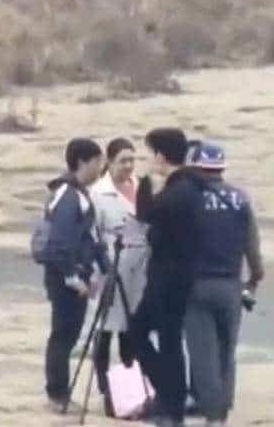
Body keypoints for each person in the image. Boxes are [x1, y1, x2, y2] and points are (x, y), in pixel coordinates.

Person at [184, 141, 265, 427]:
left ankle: (212, 415)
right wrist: (253, 280)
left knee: (203, 354)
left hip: (197, 285)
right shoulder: (240, 199)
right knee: (226, 352)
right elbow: (253, 248)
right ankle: (224, 412)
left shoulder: (190, 200)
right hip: (231, 284)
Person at [129, 128, 203, 427]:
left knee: (148, 333)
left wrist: (145, 182)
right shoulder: (189, 186)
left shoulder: (179, 190)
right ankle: (170, 397)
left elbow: (146, 215)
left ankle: (171, 399)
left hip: (169, 277)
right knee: (163, 337)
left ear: (160, 155)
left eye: (151, 154)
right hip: (174, 275)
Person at [43, 138, 106, 412]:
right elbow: (61, 242)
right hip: (65, 277)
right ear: (83, 161)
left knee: (67, 335)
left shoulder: (77, 194)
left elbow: (87, 239)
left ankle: (60, 393)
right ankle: (57, 395)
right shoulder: (69, 196)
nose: (100, 167)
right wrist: (72, 277)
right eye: (97, 161)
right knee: (63, 336)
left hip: (74, 274)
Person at [91, 137, 149, 416]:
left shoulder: (141, 186)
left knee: (131, 328)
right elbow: (92, 234)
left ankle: (129, 387)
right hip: (111, 266)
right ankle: (104, 386)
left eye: (131, 160)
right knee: (105, 329)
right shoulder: (98, 193)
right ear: (110, 162)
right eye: (122, 160)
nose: (128, 166)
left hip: (139, 266)